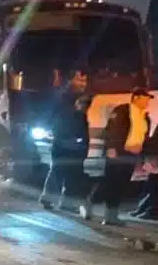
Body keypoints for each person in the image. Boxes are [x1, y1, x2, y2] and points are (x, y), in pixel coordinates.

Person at [84, 88, 150, 225]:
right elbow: (112, 130)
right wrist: (112, 148)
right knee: (109, 182)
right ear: (136, 98)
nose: (147, 102)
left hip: (132, 156)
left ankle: (111, 216)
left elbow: (144, 136)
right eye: (145, 99)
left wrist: (142, 155)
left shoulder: (145, 116)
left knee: (121, 186)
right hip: (118, 153)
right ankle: (90, 202)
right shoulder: (123, 110)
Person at [38, 69, 93, 210]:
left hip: (71, 143)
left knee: (70, 174)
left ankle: (63, 202)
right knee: (59, 171)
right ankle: (50, 199)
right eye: (79, 79)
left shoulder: (75, 99)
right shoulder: (66, 99)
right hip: (65, 143)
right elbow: (61, 121)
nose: (83, 82)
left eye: (85, 80)